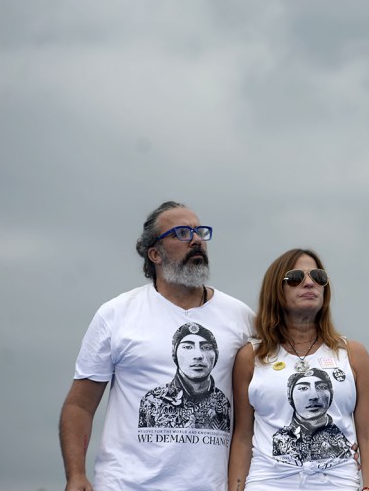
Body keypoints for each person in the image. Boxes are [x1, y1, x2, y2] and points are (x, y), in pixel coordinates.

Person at [59, 201, 254, 491]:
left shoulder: (241, 317)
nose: (197, 240)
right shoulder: (117, 313)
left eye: (200, 232)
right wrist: (76, 475)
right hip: (126, 484)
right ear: (155, 254)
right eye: (183, 233)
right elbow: (80, 405)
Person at [228, 248, 369, 491]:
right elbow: (243, 437)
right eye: (297, 277)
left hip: (337, 483)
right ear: (276, 289)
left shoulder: (353, 354)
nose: (309, 283)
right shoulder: (251, 356)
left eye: (318, 277)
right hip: (268, 483)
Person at [138, 322, 231, 430]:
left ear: (216, 354)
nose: (198, 356)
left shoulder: (223, 401)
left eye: (206, 347)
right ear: (175, 354)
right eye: (188, 347)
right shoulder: (152, 400)